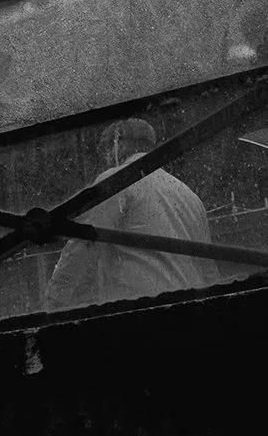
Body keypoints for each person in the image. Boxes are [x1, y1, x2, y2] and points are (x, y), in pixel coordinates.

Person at [46, 118, 217, 310]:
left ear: (118, 144)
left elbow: (83, 243)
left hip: (143, 310)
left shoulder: (117, 181)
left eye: (107, 149)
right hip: (192, 309)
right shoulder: (189, 195)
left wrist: (54, 301)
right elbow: (208, 270)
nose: (107, 158)